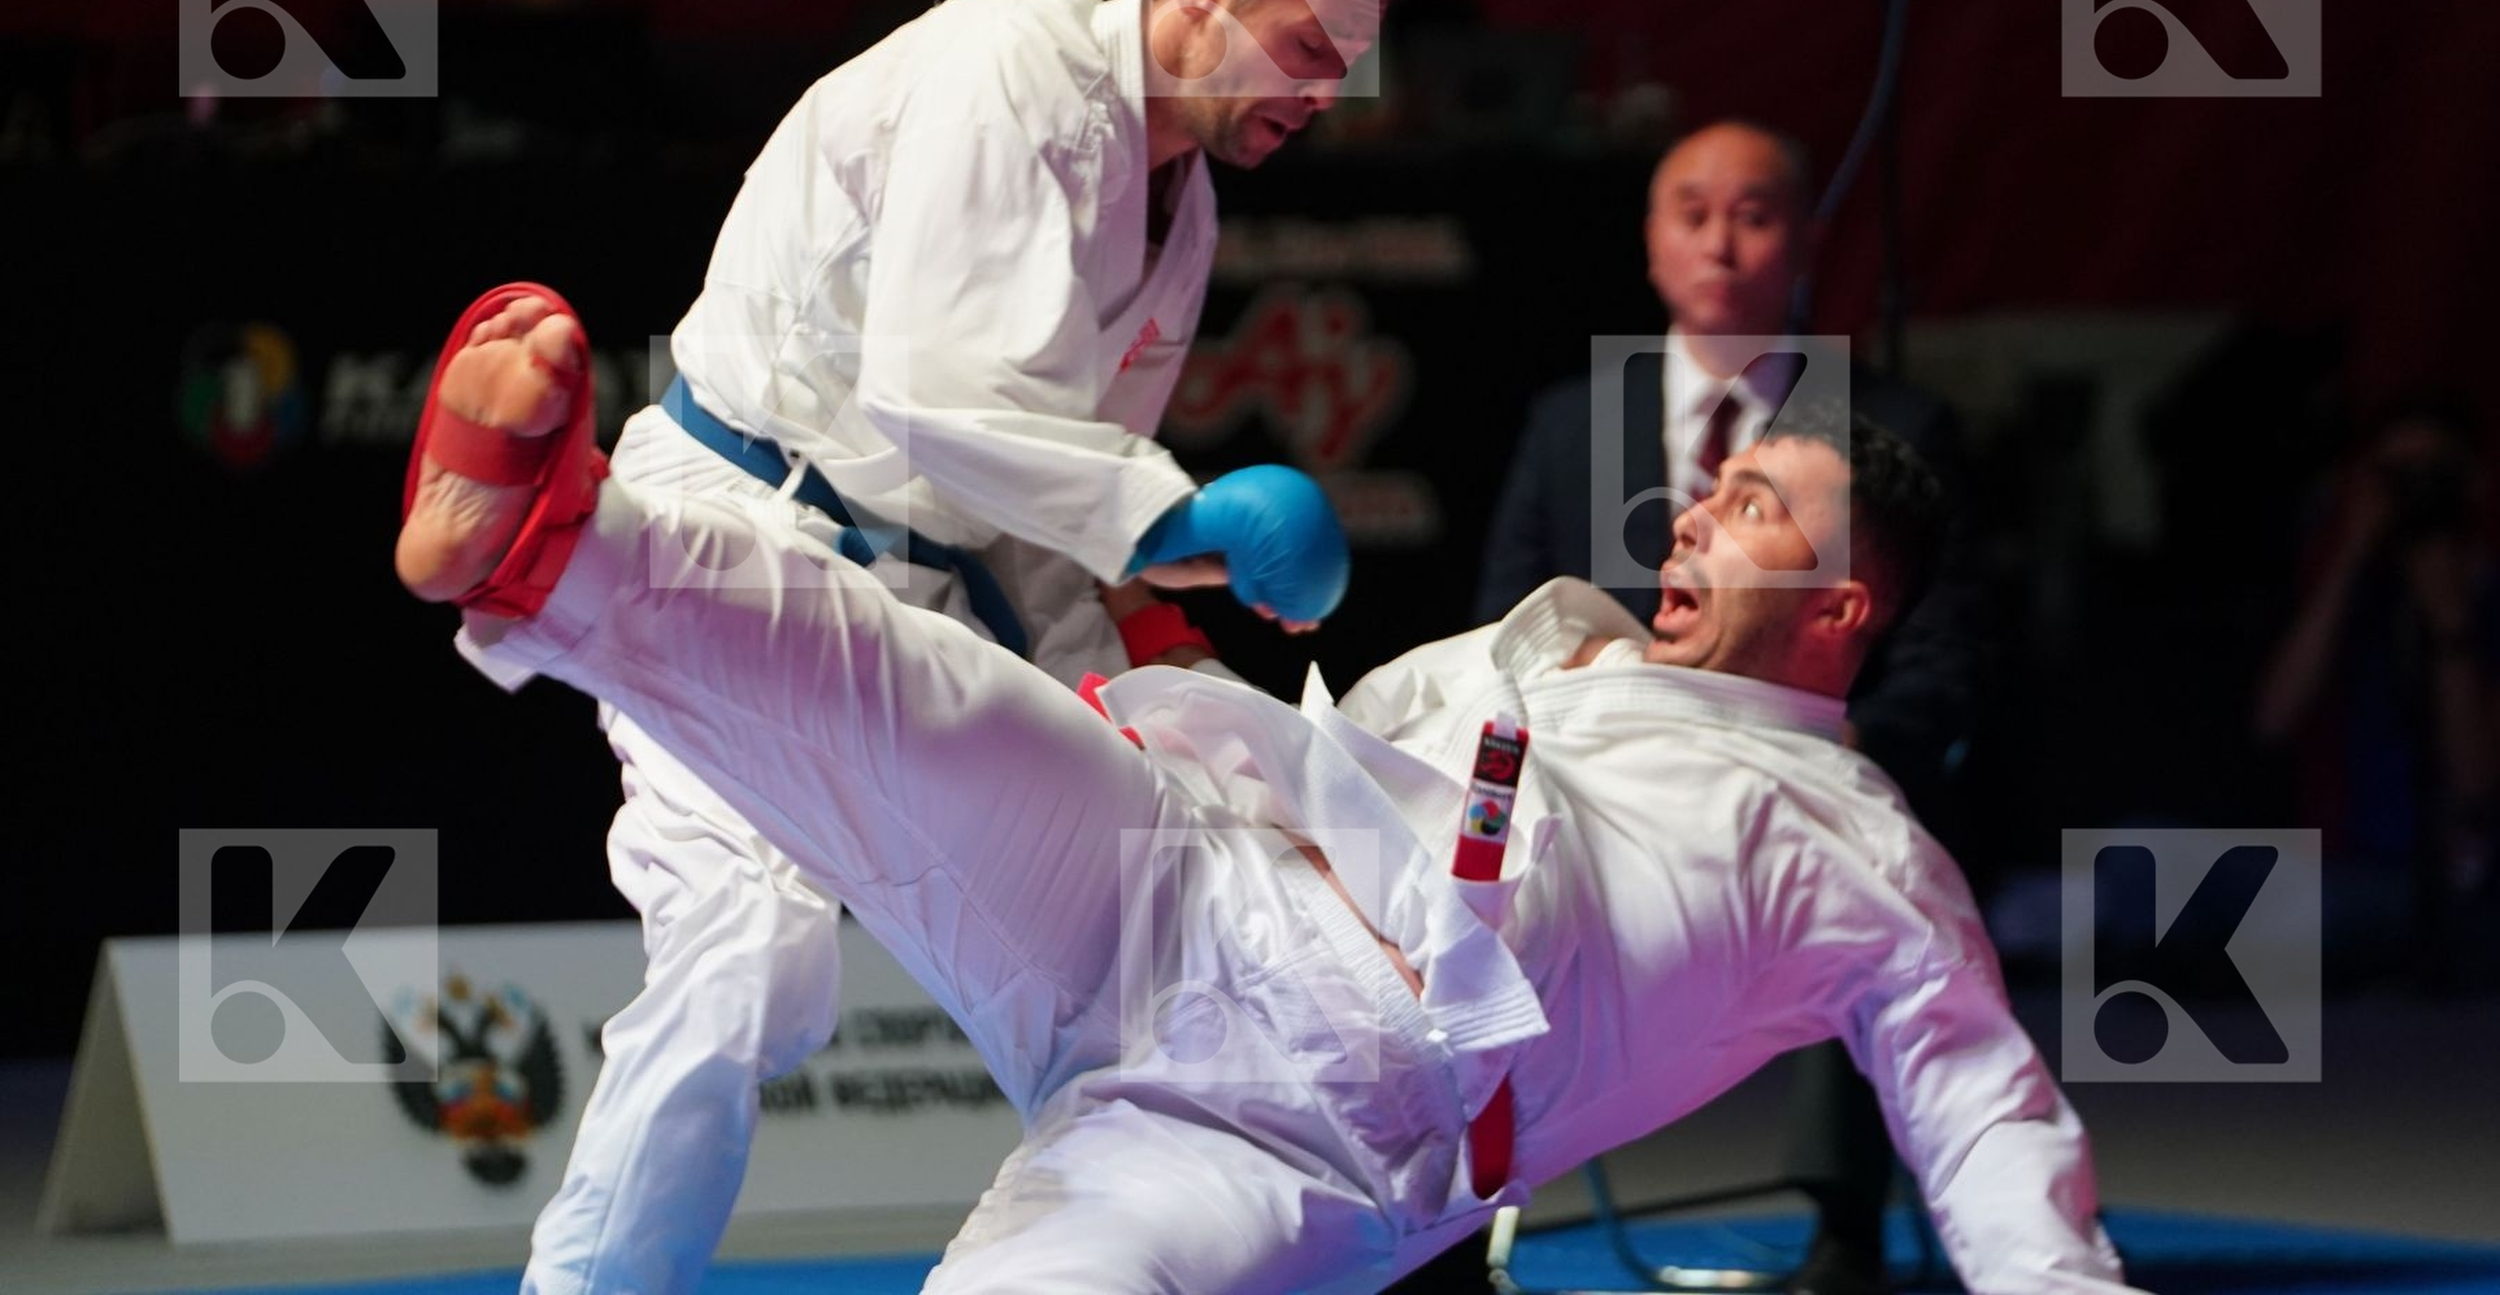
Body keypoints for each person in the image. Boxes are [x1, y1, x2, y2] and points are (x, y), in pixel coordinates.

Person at [394, 292, 2140, 1294]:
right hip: (1185, 878)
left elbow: (1986, 1119)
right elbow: (1340, 748)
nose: (1695, 515)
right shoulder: (1538, 656)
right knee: (900, 686)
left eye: (1758, 509)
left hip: (1324, 1128)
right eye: (1715, 488)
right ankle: (558, 545)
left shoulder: (1859, 853)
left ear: (1845, 608)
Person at [500, 0, 1395, 1295]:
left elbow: (1041, 508)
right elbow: (937, 400)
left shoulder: (1187, 215)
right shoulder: (1013, 63)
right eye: (1306, 48)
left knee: (1140, 900)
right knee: (750, 967)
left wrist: (1170, 674)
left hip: (920, 585)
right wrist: (1181, 519)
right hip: (746, 522)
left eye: (1344, 68)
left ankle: (1136, 1238)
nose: (1321, 93)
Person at [1473, 119, 1989, 1294]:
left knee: (1864, 860)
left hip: (1806, 781)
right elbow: (1504, 627)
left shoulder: (1892, 431)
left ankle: (1841, 1226)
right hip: (1601, 794)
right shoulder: (1571, 422)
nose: (1719, 240)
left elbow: (1947, 662)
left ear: (1804, 239)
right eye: (1690, 212)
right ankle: (1456, 1215)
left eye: (1752, 213)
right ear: (1651, 241)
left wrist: (1839, 758)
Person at [2254, 397, 2499, 989]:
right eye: (2395, 479)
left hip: (2461, 881)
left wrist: (2449, 625)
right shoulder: (2346, 591)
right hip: (2342, 871)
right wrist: (2350, 554)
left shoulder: (2489, 596)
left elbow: (2476, 784)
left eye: (2431, 476)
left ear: (2473, 484)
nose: (2413, 497)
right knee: (2140, 861)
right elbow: (2271, 721)